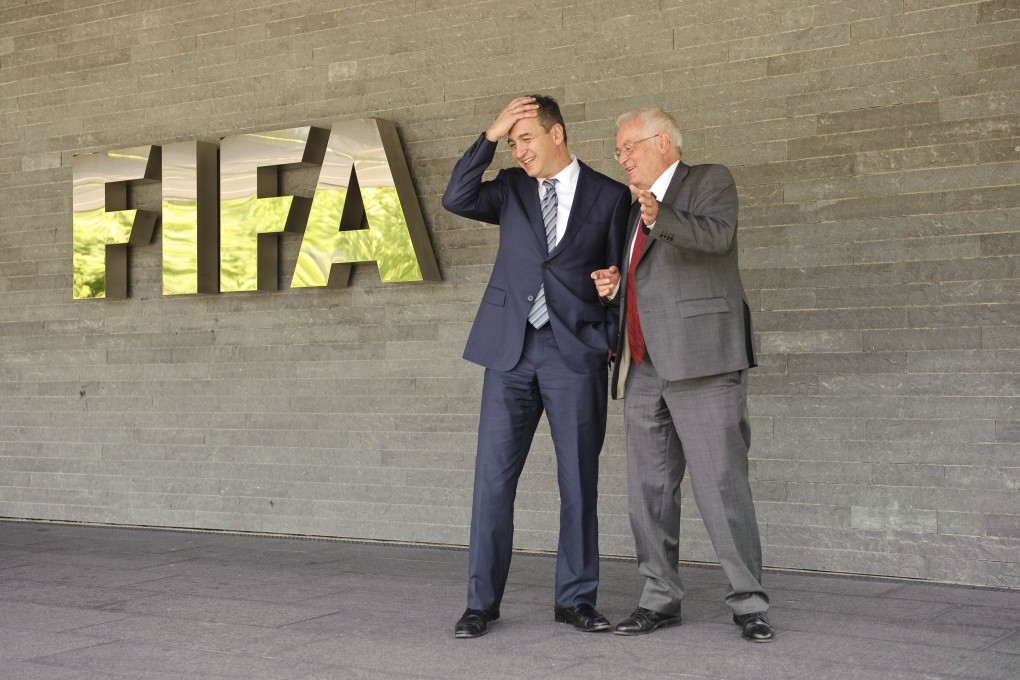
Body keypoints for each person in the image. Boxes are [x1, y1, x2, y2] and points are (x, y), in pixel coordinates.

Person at [443, 95, 630, 638]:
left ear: (558, 134)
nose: (518, 149)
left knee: (579, 482)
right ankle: (481, 603)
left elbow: (621, 275)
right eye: (511, 141)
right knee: (492, 483)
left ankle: (575, 600)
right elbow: (456, 196)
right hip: (509, 352)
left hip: (575, 353)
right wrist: (490, 132)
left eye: (526, 138)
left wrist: (612, 298)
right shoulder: (509, 189)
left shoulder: (610, 196)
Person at [591, 107, 774, 642]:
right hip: (643, 366)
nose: (622, 158)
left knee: (721, 486)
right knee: (647, 493)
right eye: (619, 150)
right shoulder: (634, 209)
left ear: (663, 142)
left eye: (629, 147)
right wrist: (613, 285)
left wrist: (658, 216)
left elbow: (716, 238)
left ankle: (749, 604)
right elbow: (648, 281)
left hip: (704, 362)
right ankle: (658, 599)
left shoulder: (708, 181)